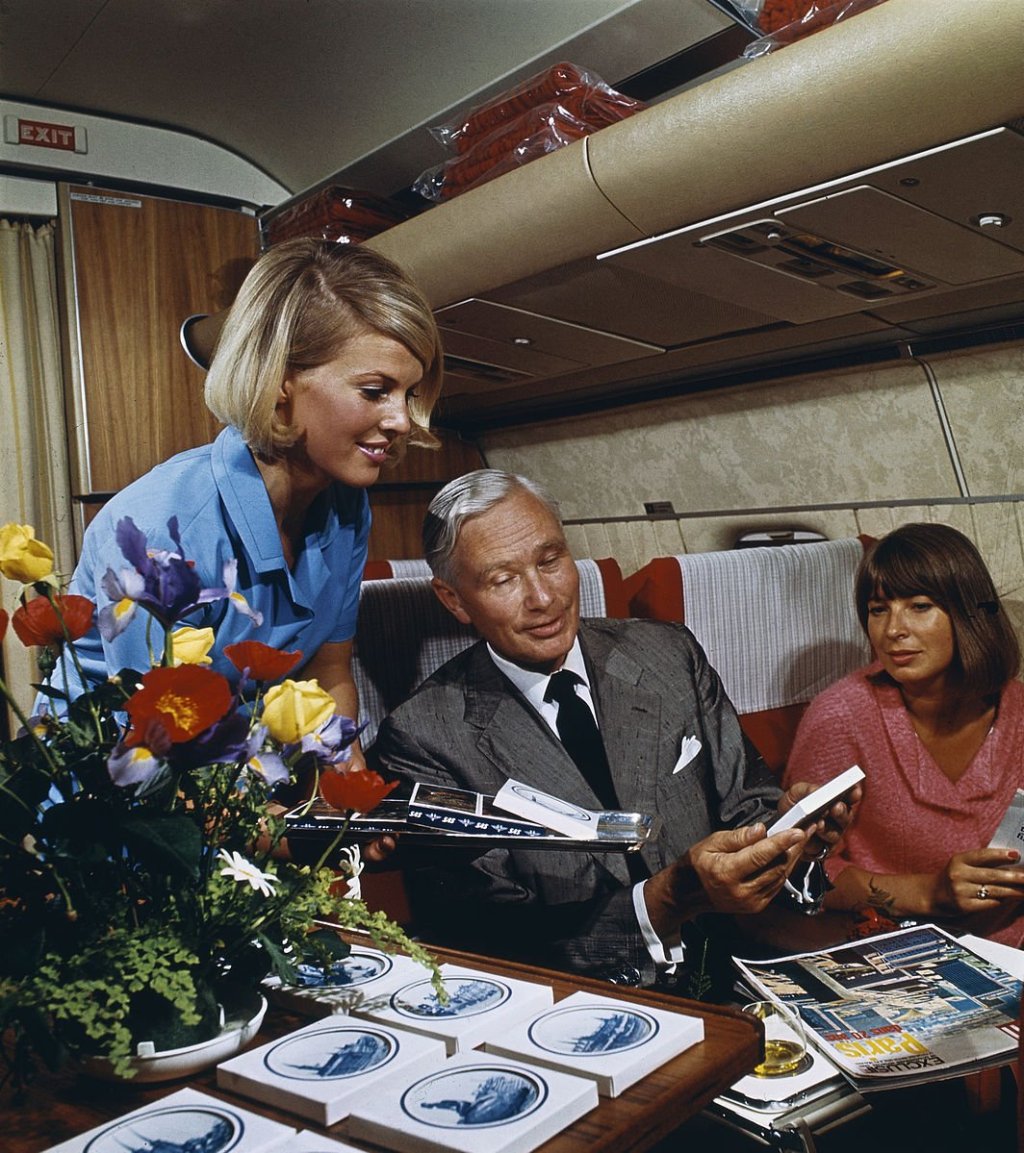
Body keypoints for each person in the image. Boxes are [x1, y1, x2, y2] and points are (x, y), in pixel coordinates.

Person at [373, 469, 857, 988]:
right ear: (453, 600)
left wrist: (792, 836)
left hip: (741, 967)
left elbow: (748, 808)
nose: (542, 598)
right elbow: (489, 941)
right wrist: (667, 900)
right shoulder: (422, 737)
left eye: (550, 560)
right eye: (504, 579)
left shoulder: (669, 655)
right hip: (577, 1004)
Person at [52, 238, 443, 772]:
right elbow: (156, 740)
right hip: (117, 797)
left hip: (232, 781)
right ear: (280, 383)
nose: (401, 420)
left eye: (408, 394)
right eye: (375, 391)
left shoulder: (348, 507)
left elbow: (325, 674)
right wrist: (268, 827)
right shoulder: (159, 531)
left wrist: (345, 790)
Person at [783, 522, 1024, 946]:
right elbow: (798, 878)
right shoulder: (841, 717)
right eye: (879, 609)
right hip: (888, 954)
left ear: (968, 613)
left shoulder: (1018, 709)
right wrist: (930, 893)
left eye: (919, 606)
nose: (893, 630)